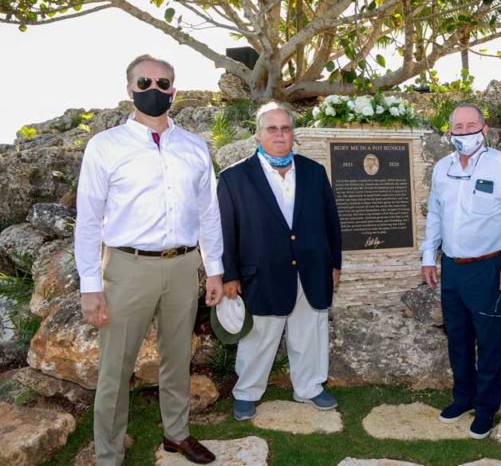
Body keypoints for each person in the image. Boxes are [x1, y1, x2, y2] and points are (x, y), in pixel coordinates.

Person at [74, 54, 224, 465]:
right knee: (115, 368)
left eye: (163, 83)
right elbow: (88, 220)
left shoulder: (194, 146)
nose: (154, 90)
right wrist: (91, 285)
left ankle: (177, 434)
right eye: (145, 83)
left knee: (178, 357)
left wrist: (214, 268)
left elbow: (208, 213)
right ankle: (108, 454)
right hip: (127, 269)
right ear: (130, 90)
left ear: (174, 90)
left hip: (182, 266)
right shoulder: (105, 147)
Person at [218, 101, 342, 420]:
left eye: (285, 128)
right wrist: (228, 275)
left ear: (293, 134)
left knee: (309, 331)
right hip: (263, 272)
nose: (279, 134)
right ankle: (247, 393)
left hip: (312, 269)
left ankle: (310, 387)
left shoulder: (314, 172)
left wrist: (334, 265)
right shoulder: (234, 178)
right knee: (260, 335)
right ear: (258, 134)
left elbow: (331, 223)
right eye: (272, 128)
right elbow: (224, 232)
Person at [421, 103, 501, 439]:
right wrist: (429, 256)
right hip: (452, 268)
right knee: (459, 339)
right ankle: (463, 398)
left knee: (490, 342)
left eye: (471, 126)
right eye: (458, 126)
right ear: (450, 132)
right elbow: (435, 215)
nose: (464, 132)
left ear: (484, 130)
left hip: (489, 268)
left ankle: (485, 409)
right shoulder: (442, 168)